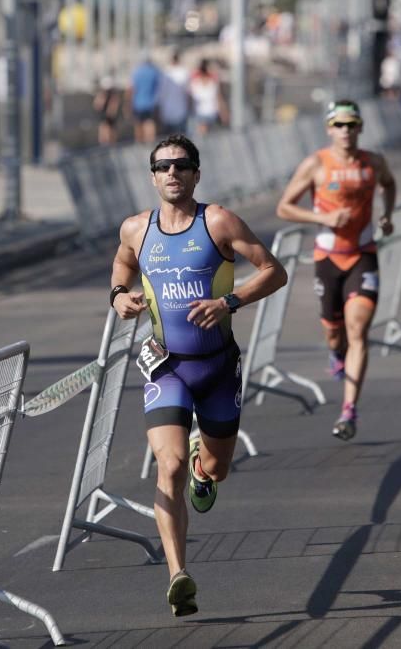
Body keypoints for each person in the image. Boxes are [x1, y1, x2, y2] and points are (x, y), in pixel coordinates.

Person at [110, 135, 287, 617]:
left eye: (182, 165)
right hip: (166, 366)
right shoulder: (135, 229)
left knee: (218, 467)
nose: (172, 173)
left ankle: (202, 469)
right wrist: (118, 296)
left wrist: (228, 301)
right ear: (152, 176)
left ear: (196, 173)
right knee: (164, 466)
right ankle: (178, 575)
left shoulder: (219, 222)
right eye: (163, 166)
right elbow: (123, 266)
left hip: (217, 369)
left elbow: (274, 271)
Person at [275, 100, 396, 440]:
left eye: (351, 124)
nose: (345, 131)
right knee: (334, 330)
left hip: (362, 254)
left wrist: (387, 216)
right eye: (339, 125)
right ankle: (334, 351)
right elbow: (284, 207)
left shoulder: (373, 162)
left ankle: (348, 411)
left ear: (360, 127)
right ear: (329, 129)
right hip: (328, 257)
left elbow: (390, 184)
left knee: (358, 329)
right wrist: (322, 218)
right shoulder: (316, 164)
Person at [126, 55, 161, 143]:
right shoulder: (154, 72)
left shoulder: (137, 72)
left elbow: (131, 89)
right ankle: (150, 143)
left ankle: (139, 143)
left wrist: (128, 103)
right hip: (150, 103)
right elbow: (158, 88)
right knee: (149, 123)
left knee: (138, 124)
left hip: (138, 103)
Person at [188, 59, 229, 136]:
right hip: (204, 115)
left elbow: (219, 99)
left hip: (206, 114)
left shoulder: (196, 83)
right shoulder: (209, 83)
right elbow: (219, 99)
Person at [157, 50, 190, 135]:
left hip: (168, 111)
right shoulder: (183, 72)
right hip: (180, 110)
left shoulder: (165, 72)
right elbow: (187, 92)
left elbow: (161, 93)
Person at [93, 74, 122, 145]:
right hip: (104, 117)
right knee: (103, 129)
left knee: (110, 131)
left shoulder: (114, 96)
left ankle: (110, 145)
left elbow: (112, 111)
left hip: (110, 118)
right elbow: (97, 106)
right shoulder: (102, 95)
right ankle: (104, 145)